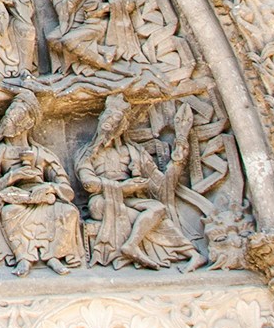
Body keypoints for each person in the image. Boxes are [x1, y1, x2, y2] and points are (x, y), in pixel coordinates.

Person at [78, 95, 204, 271]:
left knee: (158, 209)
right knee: (149, 219)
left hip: (131, 199)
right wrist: (122, 187)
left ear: (122, 127)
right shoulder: (87, 154)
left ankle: (189, 254)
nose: (110, 125)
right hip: (102, 201)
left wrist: (178, 160)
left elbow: (161, 184)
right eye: (108, 119)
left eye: (116, 121)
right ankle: (185, 253)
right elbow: (88, 184)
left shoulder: (135, 152)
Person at [0, 91, 83, 275]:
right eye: (9, 116)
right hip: (17, 201)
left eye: (17, 117)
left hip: (45, 200)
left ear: (29, 122)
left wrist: (49, 187)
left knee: (69, 211)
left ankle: (54, 255)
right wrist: (13, 175)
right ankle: (23, 257)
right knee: (9, 212)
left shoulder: (41, 154)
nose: (10, 121)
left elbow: (67, 190)